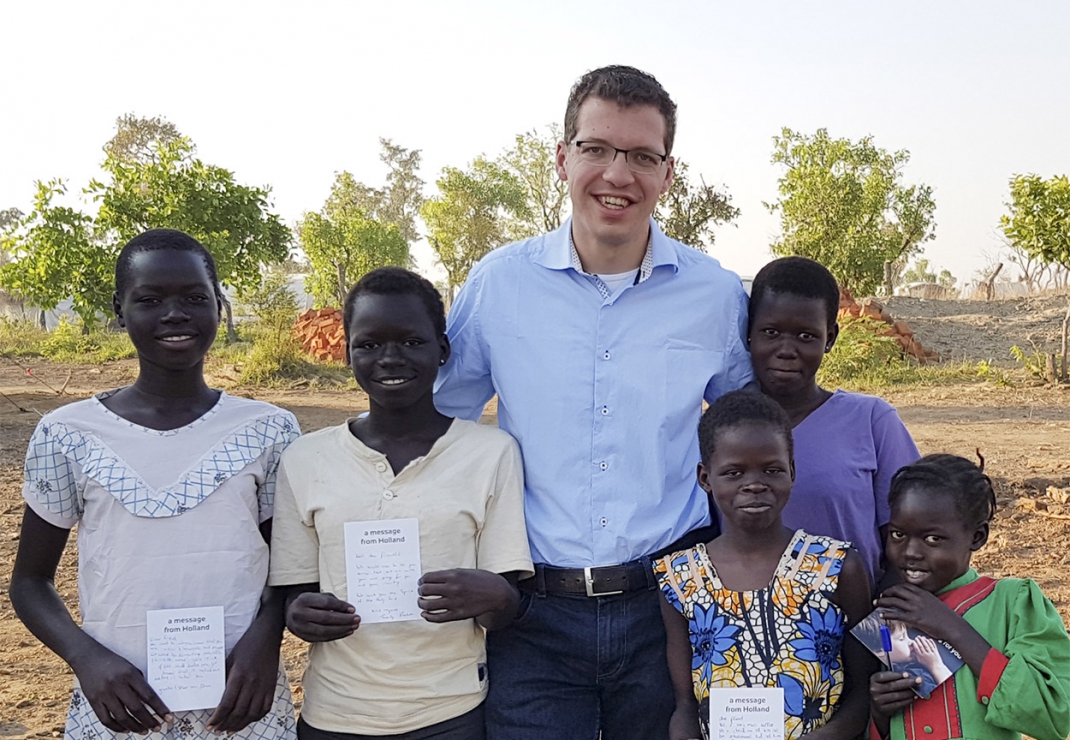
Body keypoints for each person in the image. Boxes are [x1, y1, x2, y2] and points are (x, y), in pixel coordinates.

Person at [434, 65, 754, 739]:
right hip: (530, 614)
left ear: (669, 173)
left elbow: (746, 436)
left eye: (643, 156)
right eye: (597, 149)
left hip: (669, 607)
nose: (618, 174)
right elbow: (442, 427)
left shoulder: (715, 296)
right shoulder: (498, 286)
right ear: (561, 157)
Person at [10, 229, 300, 740]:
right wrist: (88, 661)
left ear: (219, 305)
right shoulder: (67, 433)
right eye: (150, 299)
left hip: (240, 701)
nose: (175, 313)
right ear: (120, 310)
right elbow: (31, 583)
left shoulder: (268, 430)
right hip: (121, 704)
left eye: (194, 298)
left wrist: (265, 642)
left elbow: (293, 566)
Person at [268, 267, 532, 740]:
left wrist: (496, 597)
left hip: (451, 713)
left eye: (411, 342)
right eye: (368, 345)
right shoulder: (305, 460)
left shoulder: (490, 453)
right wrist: (302, 615)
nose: (390, 358)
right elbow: (295, 592)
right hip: (336, 714)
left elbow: (504, 603)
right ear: (346, 352)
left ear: (443, 350)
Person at [655, 390, 873, 740]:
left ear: (792, 470)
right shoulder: (680, 578)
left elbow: (864, 690)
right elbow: (685, 706)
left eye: (771, 469)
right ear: (705, 478)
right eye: (733, 473)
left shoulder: (838, 567)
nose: (754, 484)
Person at [868, 454, 1070, 740]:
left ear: (977, 537)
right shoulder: (888, 614)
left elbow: (1053, 715)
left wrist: (952, 628)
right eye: (898, 535)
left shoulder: (1013, 604)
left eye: (932, 539)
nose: (911, 551)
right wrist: (880, 713)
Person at [747, 256, 920, 586]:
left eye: (806, 336)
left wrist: (872, 626)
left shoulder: (872, 421)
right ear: (748, 333)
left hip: (852, 623)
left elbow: (910, 540)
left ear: (830, 338)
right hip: (745, 627)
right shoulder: (724, 431)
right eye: (770, 332)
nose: (787, 349)